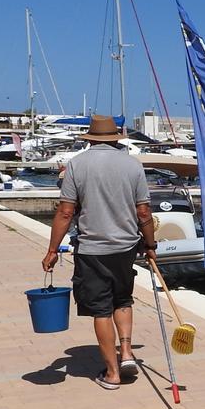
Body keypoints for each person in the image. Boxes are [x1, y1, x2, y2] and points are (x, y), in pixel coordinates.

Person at [42, 116, 156, 390]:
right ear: (115, 138)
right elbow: (143, 212)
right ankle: (126, 352)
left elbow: (66, 212)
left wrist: (52, 250)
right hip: (126, 247)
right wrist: (150, 245)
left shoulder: (77, 165)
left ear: (90, 138)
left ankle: (113, 373)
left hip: (92, 250)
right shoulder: (132, 165)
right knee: (123, 300)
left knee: (101, 310)